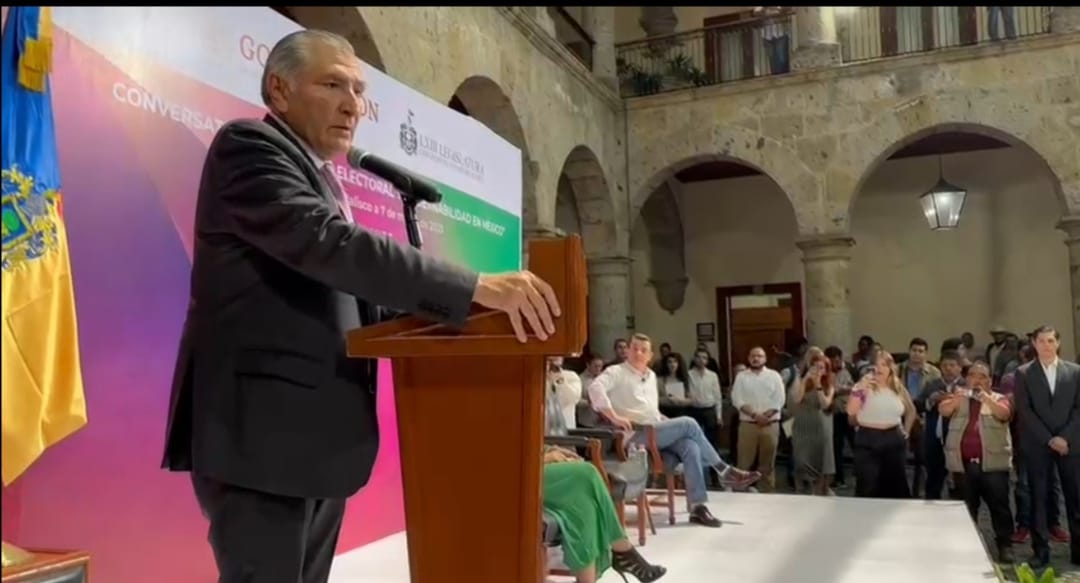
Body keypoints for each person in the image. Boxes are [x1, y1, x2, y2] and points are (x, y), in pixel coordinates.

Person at [160, 29, 561, 583]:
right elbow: (330, 245)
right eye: (333, 85)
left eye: (358, 90)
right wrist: (474, 286)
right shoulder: (248, 148)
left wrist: (454, 316)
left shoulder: (321, 179)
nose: (353, 105)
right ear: (278, 90)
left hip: (310, 443)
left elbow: (352, 294)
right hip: (261, 441)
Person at [588, 334, 761, 527]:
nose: (638, 353)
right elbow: (595, 388)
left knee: (690, 446)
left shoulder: (651, 376)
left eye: (643, 350)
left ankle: (697, 507)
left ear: (650, 355)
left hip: (654, 430)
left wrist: (665, 420)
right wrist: (614, 416)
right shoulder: (616, 371)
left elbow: (651, 411)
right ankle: (723, 470)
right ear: (628, 350)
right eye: (634, 348)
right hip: (634, 436)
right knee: (688, 423)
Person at [543, 375, 666, 583]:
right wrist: (546, 457)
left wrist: (552, 449)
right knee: (587, 473)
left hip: (535, 464)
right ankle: (623, 550)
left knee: (584, 505)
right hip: (511, 476)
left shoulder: (536, 388)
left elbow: (525, 440)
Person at [1013, 325, 1080, 569]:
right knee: (1038, 499)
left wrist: (1064, 437)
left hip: (1069, 444)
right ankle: (1040, 551)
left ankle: (1078, 550)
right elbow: (1024, 410)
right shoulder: (1023, 373)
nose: (1046, 345)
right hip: (1037, 443)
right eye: (1041, 341)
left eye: (1050, 341)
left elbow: (1078, 409)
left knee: (1075, 498)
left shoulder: (1075, 372)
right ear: (1034, 344)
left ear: (1058, 343)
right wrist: (1049, 439)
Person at [938, 361, 1015, 563]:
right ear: (967, 378)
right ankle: (967, 546)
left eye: (982, 376)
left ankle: (1004, 545)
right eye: (972, 375)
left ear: (989, 380)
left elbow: (1004, 413)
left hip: (993, 465)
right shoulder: (959, 396)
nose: (977, 380)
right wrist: (957, 398)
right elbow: (944, 410)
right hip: (964, 464)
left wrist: (986, 398)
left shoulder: (999, 398)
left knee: (999, 507)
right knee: (966, 507)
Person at [847, 351, 917, 499]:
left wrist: (906, 431)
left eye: (884, 364)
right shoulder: (863, 386)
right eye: (876, 364)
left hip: (894, 439)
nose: (879, 368)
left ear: (890, 368)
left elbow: (911, 410)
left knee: (895, 486)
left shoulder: (897, 387)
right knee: (868, 486)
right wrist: (860, 389)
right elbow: (851, 411)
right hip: (868, 440)